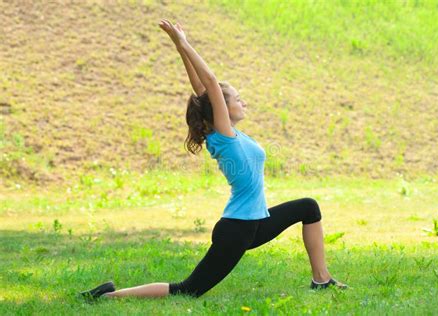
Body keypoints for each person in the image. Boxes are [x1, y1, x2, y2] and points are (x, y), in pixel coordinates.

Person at [80, 19, 348, 301]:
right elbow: (209, 84)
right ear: (223, 106)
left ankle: (322, 279)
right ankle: (106, 297)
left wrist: (179, 48)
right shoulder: (223, 135)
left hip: (256, 222)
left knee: (308, 208)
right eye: (238, 99)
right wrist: (184, 43)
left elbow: (203, 91)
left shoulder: (228, 132)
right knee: (188, 290)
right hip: (237, 229)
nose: (243, 103)